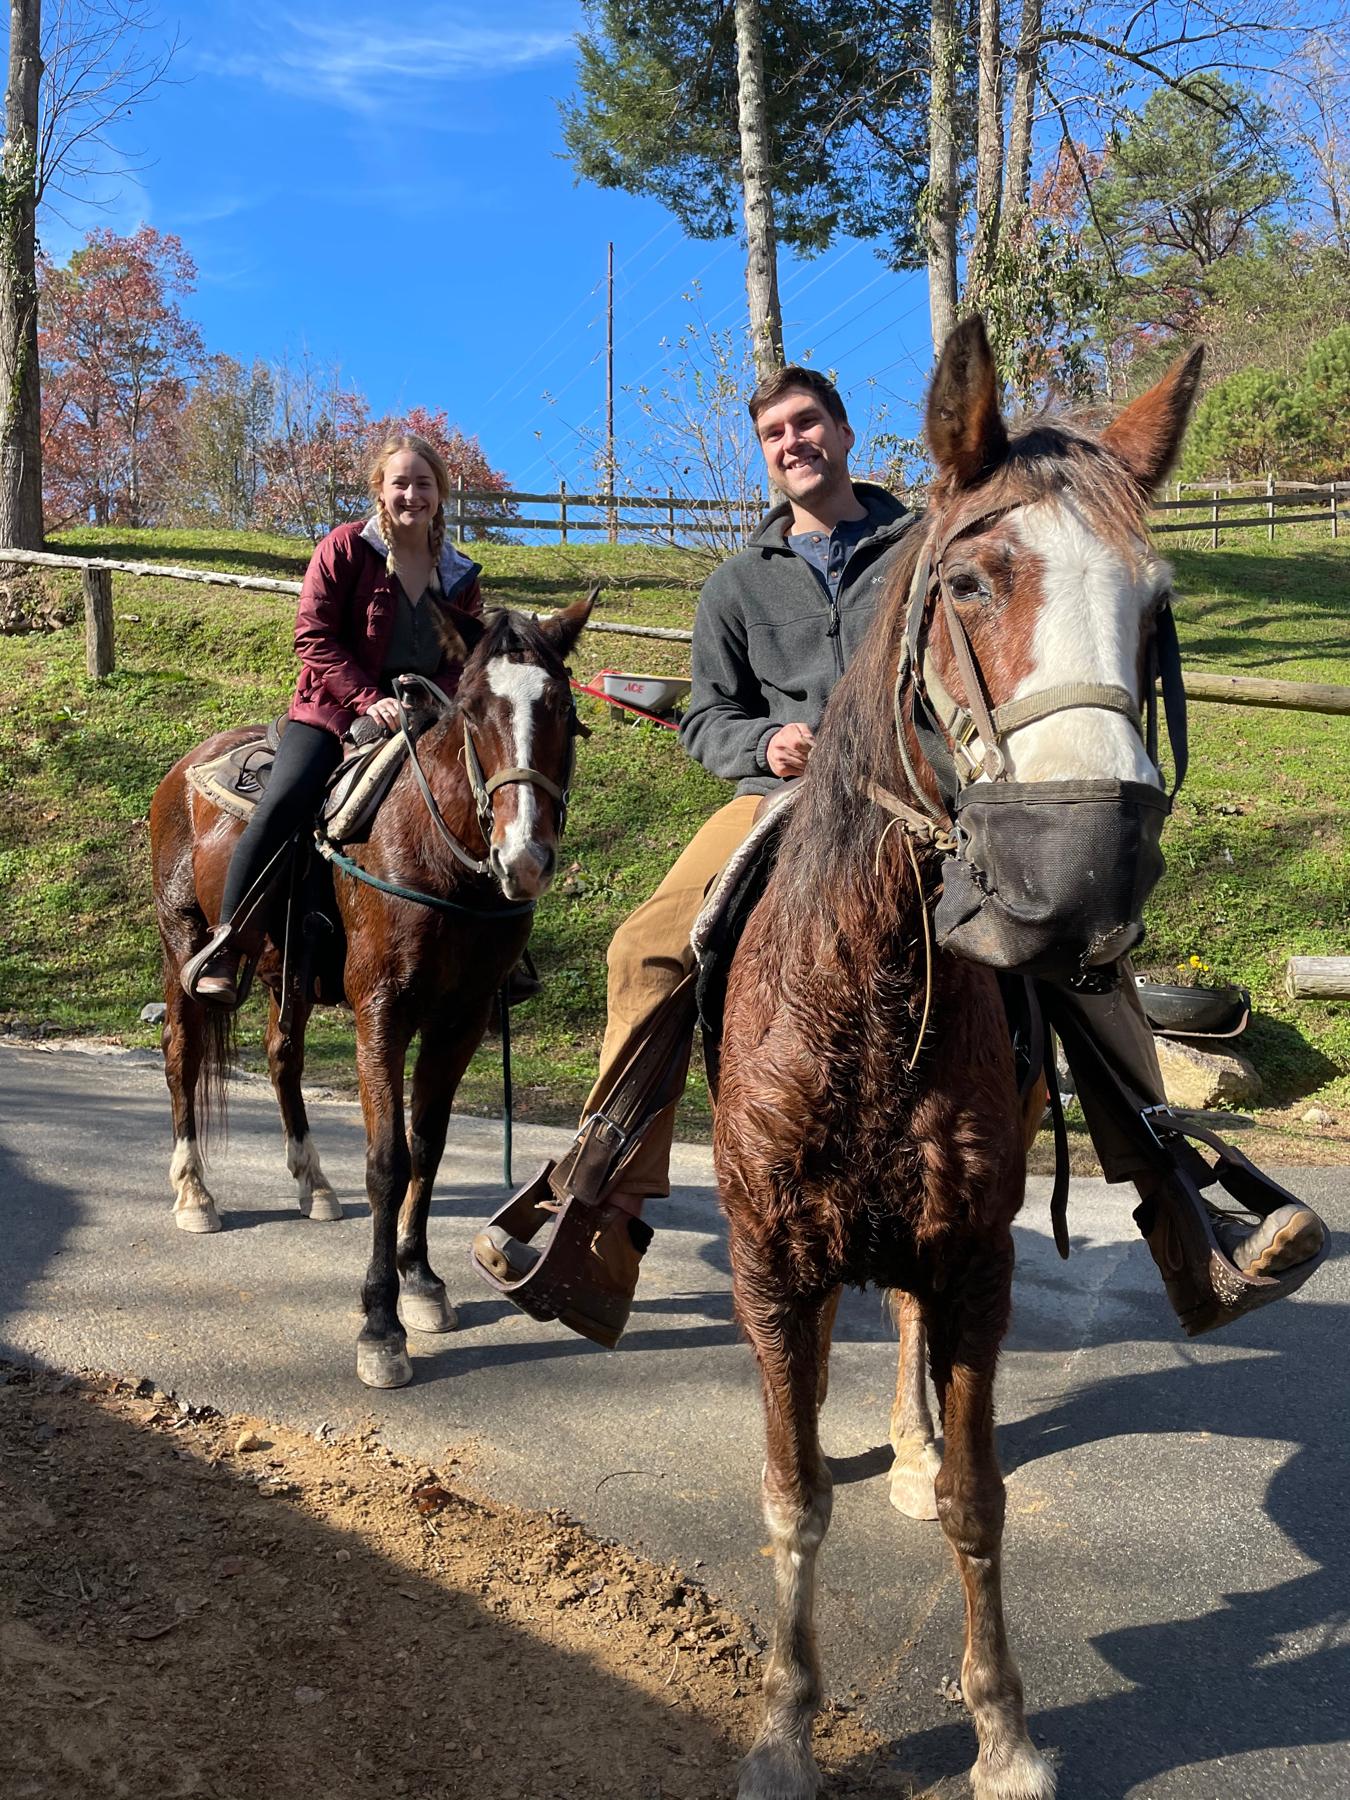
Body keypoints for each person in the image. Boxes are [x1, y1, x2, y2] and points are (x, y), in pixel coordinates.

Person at [471, 367, 1325, 1347]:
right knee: (650, 950)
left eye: (807, 423)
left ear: (841, 431)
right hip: (779, 802)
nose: (792, 442)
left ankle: (1186, 1217)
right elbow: (708, 714)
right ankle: (601, 1222)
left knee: (1080, 956)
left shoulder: (927, 542)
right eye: (773, 433)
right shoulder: (735, 583)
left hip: (926, 798)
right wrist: (765, 744)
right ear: (765, 455)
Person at [181, 434, 484, 1006]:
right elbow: (313, 637)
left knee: (490, 799)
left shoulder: (459, 574)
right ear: (380, 489)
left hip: (427, 720)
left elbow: (464, 662)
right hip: (332, 709)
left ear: (441, 494)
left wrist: (427, 703)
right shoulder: (345, 548)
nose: (412, 494)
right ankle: (228, 939)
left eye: (424, 484)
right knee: (287, 797)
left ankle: (500, 955)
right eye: (401, 483)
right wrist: (369, 699)